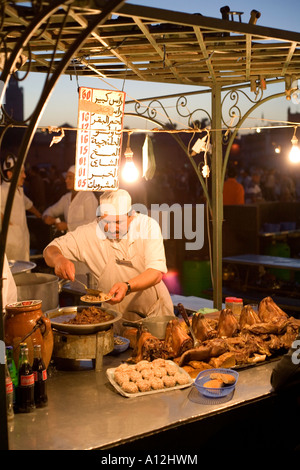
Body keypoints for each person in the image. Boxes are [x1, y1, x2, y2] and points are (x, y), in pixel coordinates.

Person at [43, 189, 174, 326]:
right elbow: (50, 249)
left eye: (118, 222)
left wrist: (127, 286)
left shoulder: (147, 226)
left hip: (154, 315)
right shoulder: (90, 232)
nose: (111, 228)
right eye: (106, 222)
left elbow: (156, 273)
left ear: (131, 216)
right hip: (115, 318)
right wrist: (59, 259)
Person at [1, 157, 42, 261]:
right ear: (10, 174)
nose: (24, 176)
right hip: (10, 245)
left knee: (24, 270)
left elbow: (28, 204)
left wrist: (40, 216)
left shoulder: (19, 190)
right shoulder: (3, 190)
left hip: (22, 241)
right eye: (21, 173)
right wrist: (4, 220)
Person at [42, 165, 98, 232]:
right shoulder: (66, 198)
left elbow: (91, 222)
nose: (66, 180)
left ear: (79, 179)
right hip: (69, 239)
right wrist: (46, 216)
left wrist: (68, 226)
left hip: (84, 240)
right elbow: (51, 210)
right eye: (66, 177)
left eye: (70, 178)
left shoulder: (88, 196)